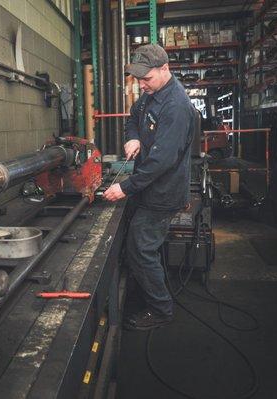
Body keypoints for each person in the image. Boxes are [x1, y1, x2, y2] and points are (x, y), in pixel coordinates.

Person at [103, 44, 195, 331]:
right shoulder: (148, 96)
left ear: (165, 69)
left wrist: (125, 188)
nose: (142, 85)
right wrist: (133, 138)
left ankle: (161, 308)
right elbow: (133, 118)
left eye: (147, 79)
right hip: (148, 186)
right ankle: (145, 288)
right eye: (139, 79)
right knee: (141, 245)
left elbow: (161, 162)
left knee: (140, 248)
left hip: (163, 192)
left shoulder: (176, 106)